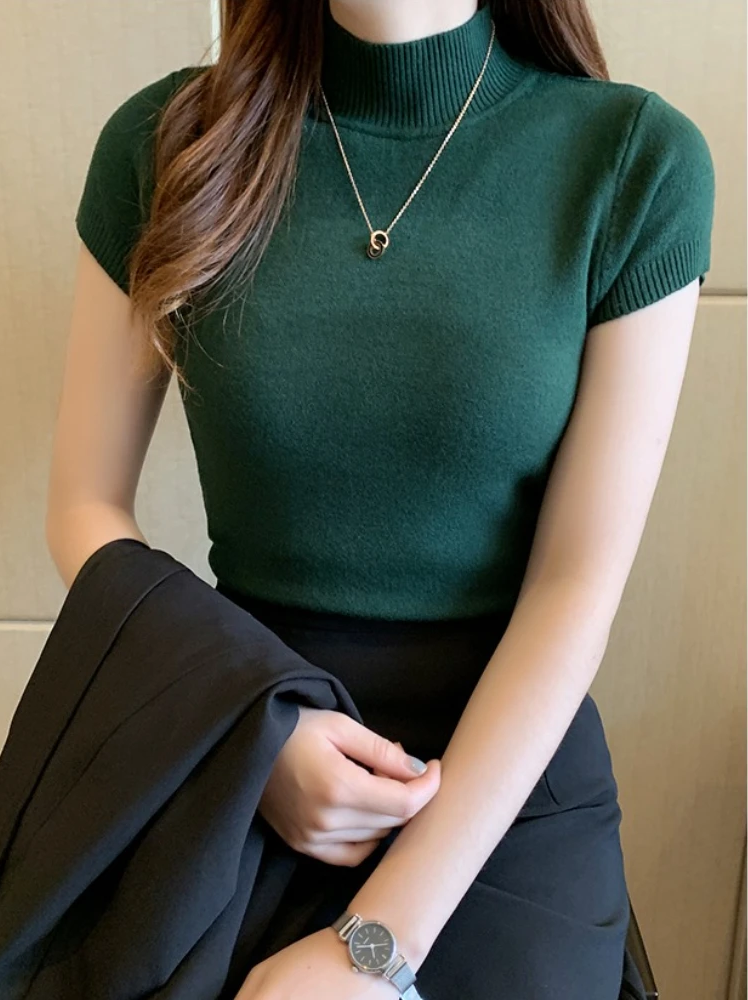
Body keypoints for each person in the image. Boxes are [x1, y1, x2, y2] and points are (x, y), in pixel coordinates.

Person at [46, 0, 715, 997]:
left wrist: (376, 945)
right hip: (243, 726)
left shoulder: (632, 162)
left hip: (504, 783)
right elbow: (83, 506)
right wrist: (251, 733)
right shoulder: (167, 146)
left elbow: (576, 585)